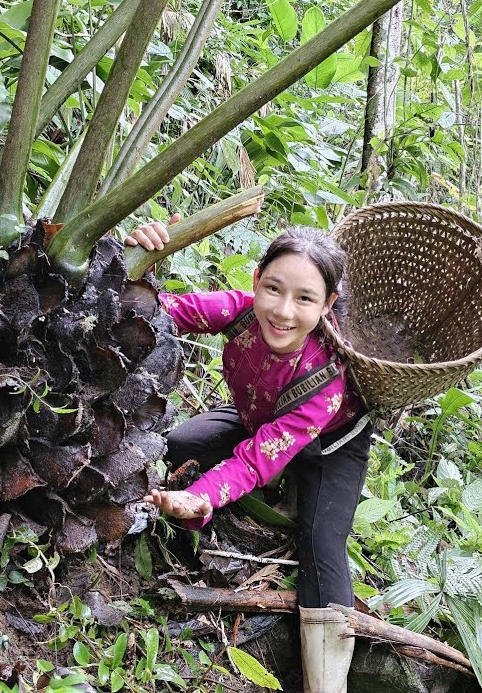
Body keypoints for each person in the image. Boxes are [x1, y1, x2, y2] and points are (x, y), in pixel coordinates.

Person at [125, 215, 372, 693]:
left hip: (329, 444)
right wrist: (138, 264)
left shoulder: (326, 381)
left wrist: (203, 496)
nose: (283, 311)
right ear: (256, 281)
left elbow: (258, 457)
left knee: (321, 546)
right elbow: (156, 313)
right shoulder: (240, 313)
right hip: (261, 416)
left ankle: (327, 683)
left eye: (305, 299)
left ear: (328, 306)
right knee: (180, 445)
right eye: (274, 289)